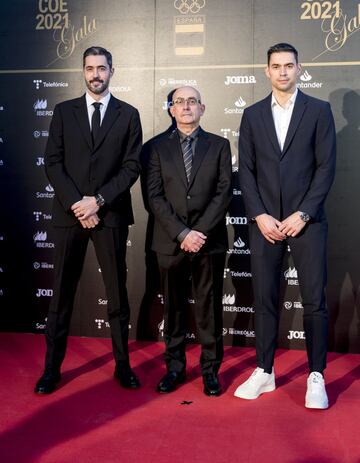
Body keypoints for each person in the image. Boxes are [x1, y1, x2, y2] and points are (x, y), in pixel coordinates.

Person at [34, 46, 143, 394]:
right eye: (90, 68)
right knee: (61, 295)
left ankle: (123, 366)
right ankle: (51, 369)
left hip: (109, 215)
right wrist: (76, 204)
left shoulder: (128, 114)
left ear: (113, 70)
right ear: (83, 71)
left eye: (102, 68)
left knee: (116, 295)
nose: (95, 74)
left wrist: (97, 201)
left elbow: (132, 167)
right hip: (70, 216)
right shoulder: (64, 111)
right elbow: (53, 162)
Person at [234, 43, 336, 409]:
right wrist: (259, 214)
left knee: (314, 302)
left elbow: (326, 168)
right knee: (264, 301)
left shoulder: (319, 111)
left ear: (299, 68)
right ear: (267, 71)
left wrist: (303, 213)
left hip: (307, 223)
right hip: (265, 224)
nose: (282, 72)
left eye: (288, 65)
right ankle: (264, 370)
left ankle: (316, 375)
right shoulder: (252, 114)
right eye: (275, 66)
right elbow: (245, 170)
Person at [147, 86, 232, 396]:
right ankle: (175, 368)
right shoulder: (155, 148)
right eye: (179, 102)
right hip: (170, 241)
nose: (185, 107)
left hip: (208, 241)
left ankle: (210, 371)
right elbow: (153, 196)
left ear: (202, 108)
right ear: (171, 109)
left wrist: (198, 233)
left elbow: (224, 193)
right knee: (174, 308)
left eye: (192, 101)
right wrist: (183, 233)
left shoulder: (220, 146)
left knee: (209, 307)